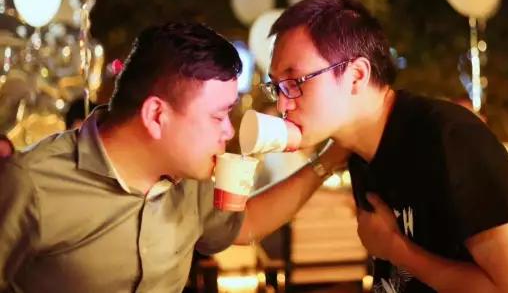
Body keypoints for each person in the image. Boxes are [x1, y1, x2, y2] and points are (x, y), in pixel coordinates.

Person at [0, 22, 347, 293]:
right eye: (218, 116)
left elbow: (246, 225)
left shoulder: (191, 179)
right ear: (156, 115)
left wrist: (330, 158)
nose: (229, 131)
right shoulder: (31, 183)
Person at [265, 0, 508, 293]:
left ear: (356, 75)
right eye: (277, 87)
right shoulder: (359, 153)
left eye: (295, 82)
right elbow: (244, 226)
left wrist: (397, 250)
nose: (282, 104)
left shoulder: (452, 139)